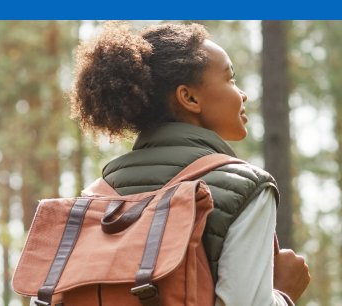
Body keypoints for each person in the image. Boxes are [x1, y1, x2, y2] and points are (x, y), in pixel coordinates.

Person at [67, 21, 310, 306]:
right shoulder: (246, 186)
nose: (243, 94)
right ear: (189, 97)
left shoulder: (92, 198)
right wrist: (283, 291)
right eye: (230, 79)